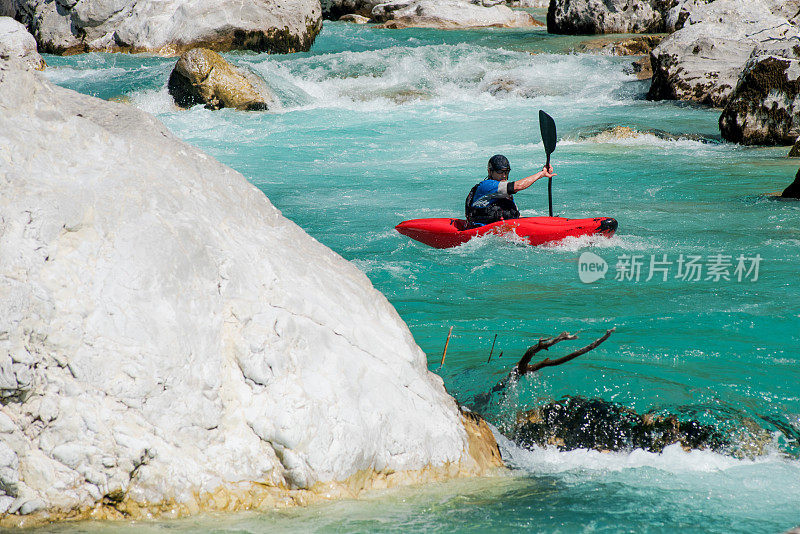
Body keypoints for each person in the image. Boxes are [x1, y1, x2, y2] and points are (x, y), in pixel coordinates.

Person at [465, 154, 556, 226]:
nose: (504, 176)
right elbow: (518, 186)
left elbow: (517, 216)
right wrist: (541, 174)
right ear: (490, 171)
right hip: (481, 231)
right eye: (500, 172)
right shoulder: (487, 186)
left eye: (506, 172)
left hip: (500, 230)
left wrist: (543, 223)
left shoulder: (503, 191)